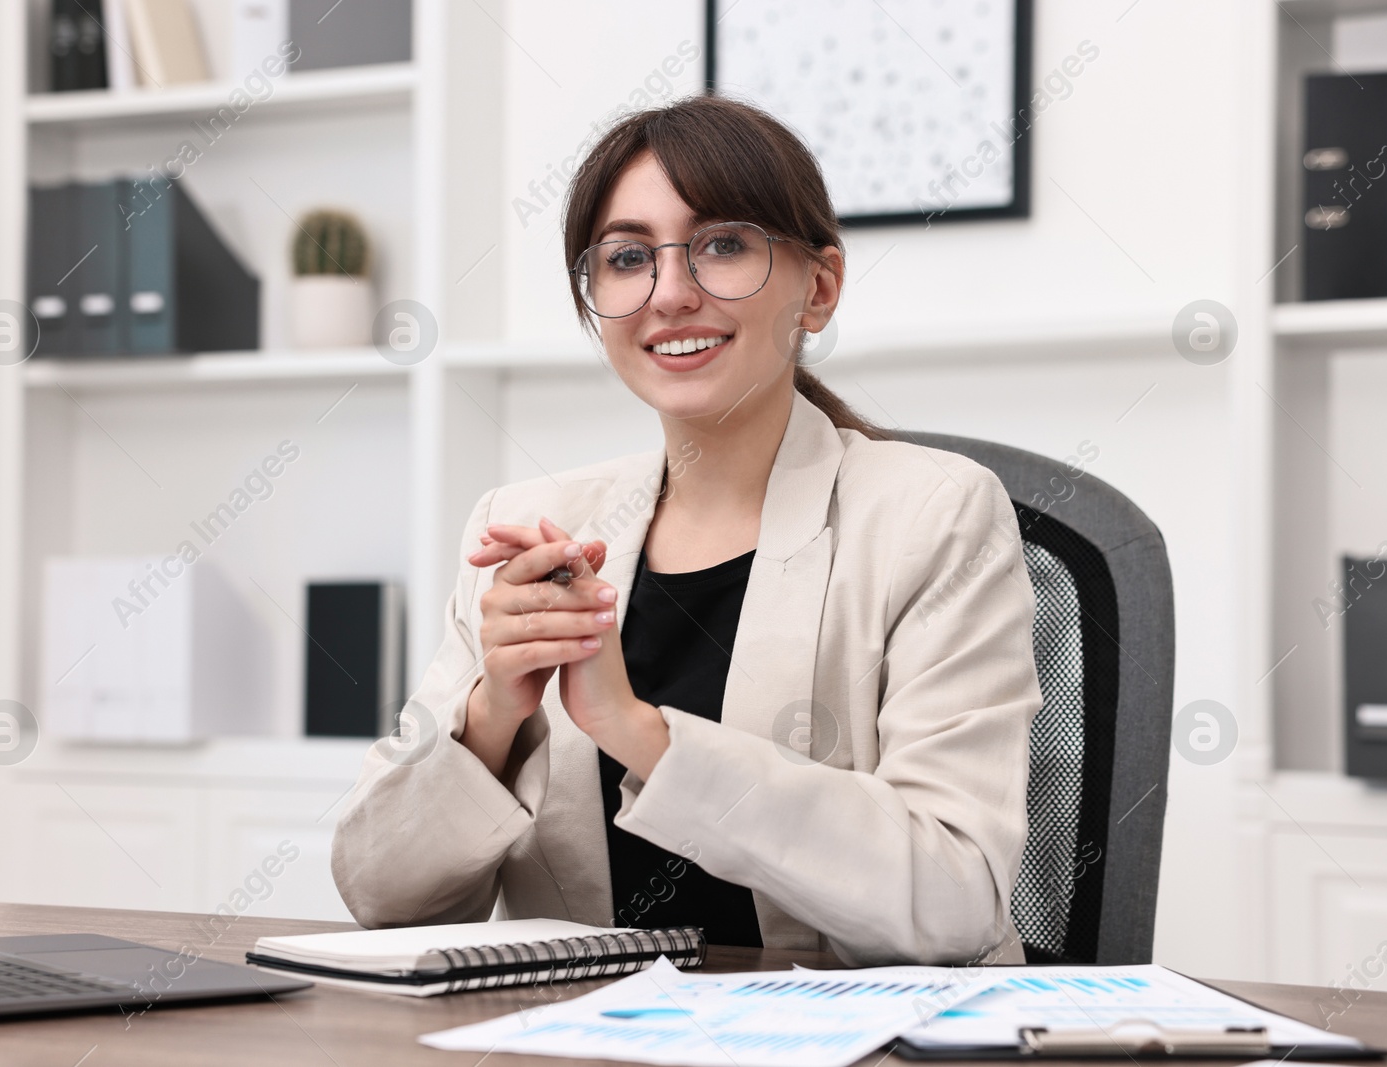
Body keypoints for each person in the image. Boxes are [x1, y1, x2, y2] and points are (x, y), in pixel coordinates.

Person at [331, 94, 1043, 966]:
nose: (670, 293)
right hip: (581, 1038)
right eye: (628, 257)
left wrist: (637, 731)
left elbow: (955, 899)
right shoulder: (523, 530)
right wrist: (492, 718)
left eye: (724, 245)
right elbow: (378, 893)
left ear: (818, 289)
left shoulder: (935, 515)